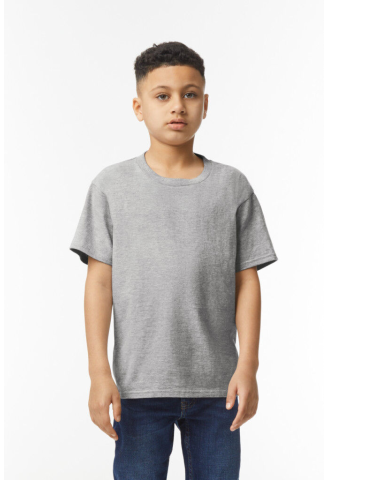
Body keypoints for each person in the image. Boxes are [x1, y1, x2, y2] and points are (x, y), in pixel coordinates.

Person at [69, 41, 278, 480]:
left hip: (218, 388)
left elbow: (247, 281)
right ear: (138, 107)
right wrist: (98, 372)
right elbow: (99, 283)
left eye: (190, 94)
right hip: (137, 388)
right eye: (162, 95)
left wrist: (249, 366)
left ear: (206, 104)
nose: (177, 106)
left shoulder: (231, 186)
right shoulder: (111, 186)